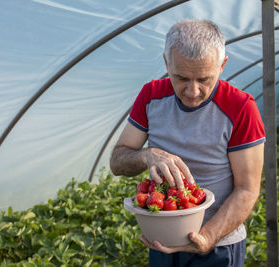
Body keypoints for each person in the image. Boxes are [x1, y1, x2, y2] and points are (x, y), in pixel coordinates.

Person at [109, 19, 265, 267]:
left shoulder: (241, 108)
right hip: (162, 239)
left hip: (217, 246)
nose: (193, 91)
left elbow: (247, 189)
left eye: (204, 79)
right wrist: (146, 155)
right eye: (181, 78)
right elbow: (118, 161)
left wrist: (207, 237)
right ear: (166, 63)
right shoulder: (151, 96)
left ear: (222, 65)